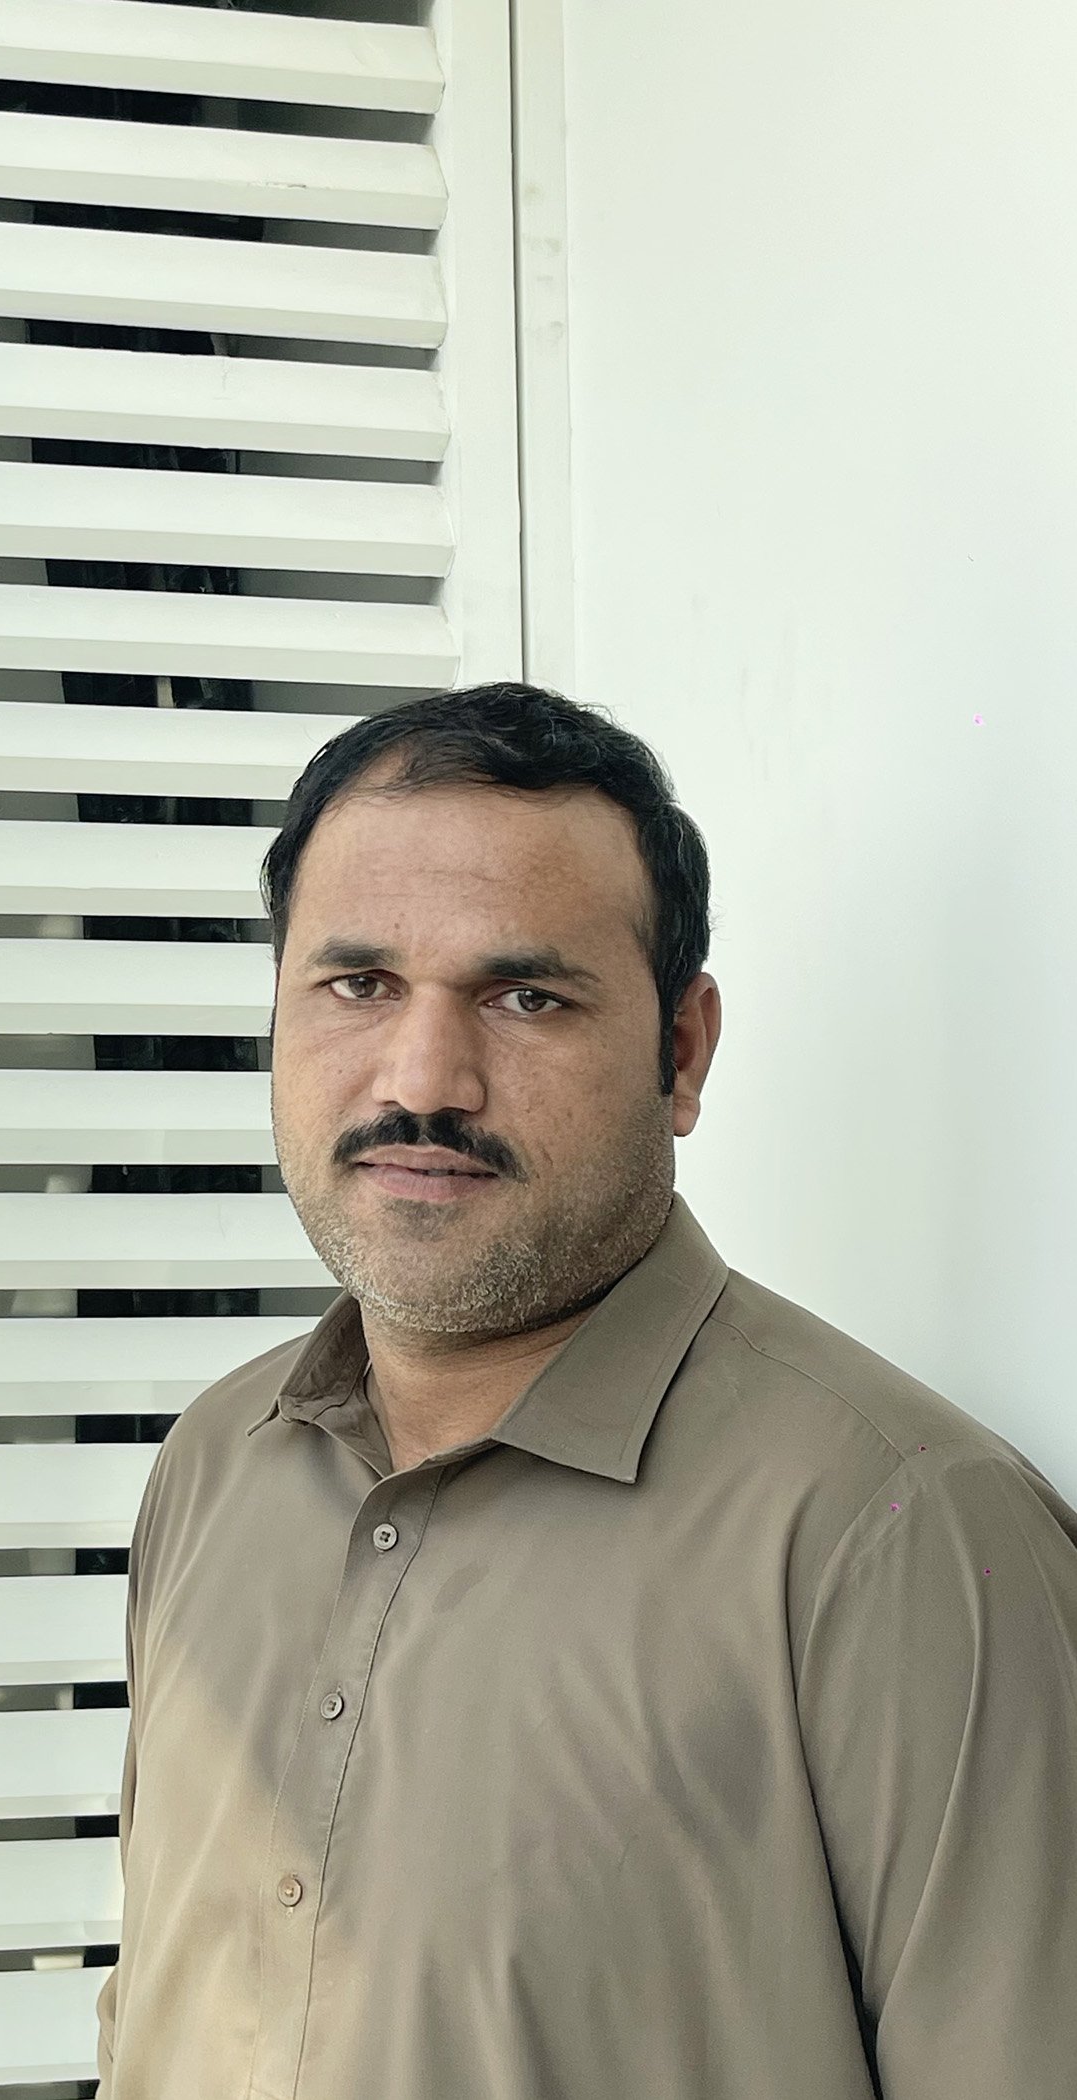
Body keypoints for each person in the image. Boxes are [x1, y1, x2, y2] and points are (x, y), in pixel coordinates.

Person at [92, 680, 1077, 2100]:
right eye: (359, 984)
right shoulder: (211, 1464)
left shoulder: (900, 1536)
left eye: (526, 996)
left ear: (681, 1052)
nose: (425, 1080)